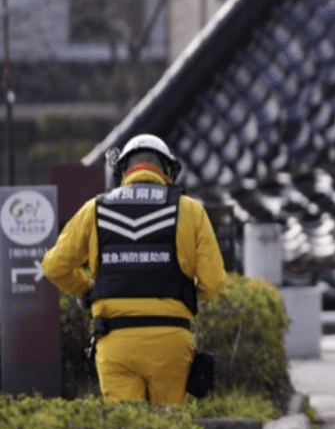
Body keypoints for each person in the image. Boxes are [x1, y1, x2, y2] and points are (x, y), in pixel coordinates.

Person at [42, 134, 228, 406]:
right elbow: (215, 283)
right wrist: (186, 293)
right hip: (172, 343)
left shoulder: (95, 209)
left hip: (115, 342)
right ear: (167, 171)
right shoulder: (191, 211)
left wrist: (87, 290)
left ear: (123, 170)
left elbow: (53, 266)